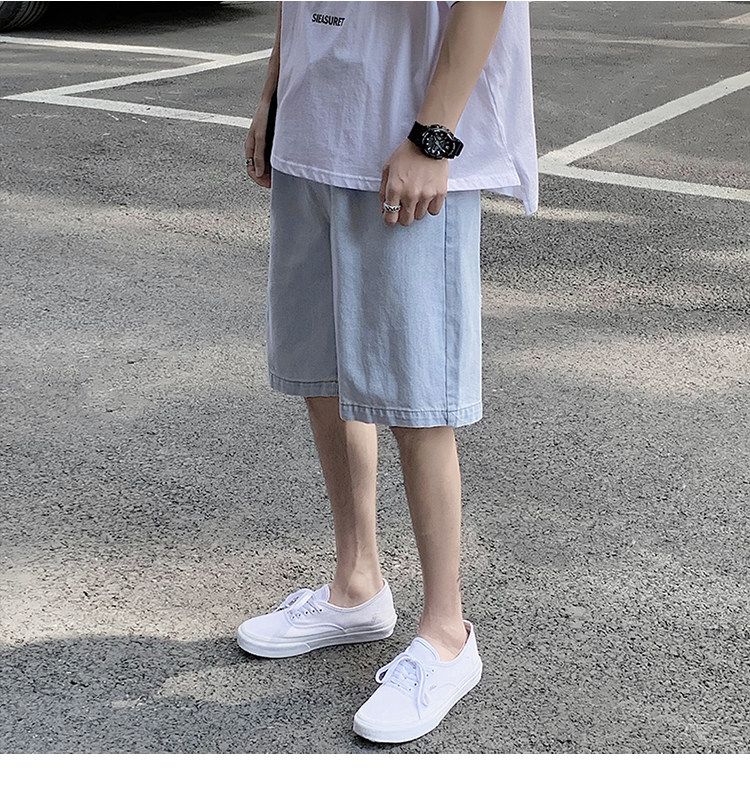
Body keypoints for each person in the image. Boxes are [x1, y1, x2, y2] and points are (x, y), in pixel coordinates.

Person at [239, 0, 538, 744]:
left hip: (404, 141)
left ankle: (447, 635)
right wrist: (274, 89)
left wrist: (434, 136)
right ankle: (357, 585)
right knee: (324, 374)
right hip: (315, 125)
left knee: (417, 399)